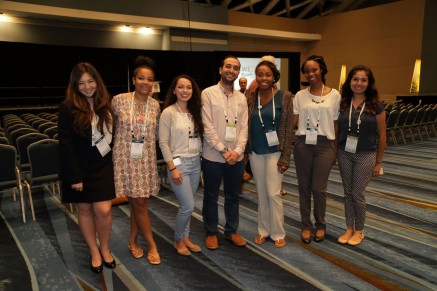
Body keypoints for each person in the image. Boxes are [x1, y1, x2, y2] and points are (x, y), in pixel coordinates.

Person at [58, 62, 116, 273]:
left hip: (103, 165)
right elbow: (66, 145)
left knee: (103, 209)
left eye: (90, 81)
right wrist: (74, 177)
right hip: (79, 169)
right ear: (75, 85)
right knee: (84, 209)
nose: (87, 86)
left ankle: (105, 248)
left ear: (97, 81)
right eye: (81, 83)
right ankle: (94, 251)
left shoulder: (106, 104)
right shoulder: (67, 107)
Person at [112, 56, 161, 265]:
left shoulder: (156, 106)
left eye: (149, 79)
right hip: (125, 159)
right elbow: (109, 127)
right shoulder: (119, 100)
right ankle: (152, 245)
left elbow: (156, 135)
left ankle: (132, 241)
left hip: (145, 160)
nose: (145, 83)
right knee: (140, 203)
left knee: (138, 202)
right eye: (141, 78)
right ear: (134, 80)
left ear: (153, 83)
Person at [291, 55, 341, 244]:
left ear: (322, 70)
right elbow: (294, 122)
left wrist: (335, 149)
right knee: (304, 188)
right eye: (307, 71)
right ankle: (306, 225)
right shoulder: (300, 95)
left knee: (318, 189)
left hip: (325, 145)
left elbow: (336, 124)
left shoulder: (335, 95)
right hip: (303, 144)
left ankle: (320, 224)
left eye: (315, 69)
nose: (311, 73)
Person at [201, 55, 249, 250]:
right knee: (211, 196)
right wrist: (223, 150)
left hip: (236, 158)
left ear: (238, 72)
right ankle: (211, 231)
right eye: (228, 66)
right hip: (213, 156)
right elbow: (206, 125)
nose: (232, 70)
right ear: (221, 69)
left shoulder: (241, 97)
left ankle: (231, 230)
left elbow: (244, 128)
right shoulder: (207, 93)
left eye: (236, 68)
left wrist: (237, 152)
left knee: (233, 196)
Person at [245, 60, 294, 248]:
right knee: (262, 193)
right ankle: (263, 230)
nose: (263, 78)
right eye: (260, 75)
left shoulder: (285, 97)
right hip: (256, 151)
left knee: (273, 193)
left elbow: (289, 129)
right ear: (256, 77)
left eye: (267, 75)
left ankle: (278, 233)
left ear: (274, 77)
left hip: (276, 152)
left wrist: (286, 157)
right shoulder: (251, 98)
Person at [337, 65, 386, 246]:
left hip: (366, 154)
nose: (359, 83)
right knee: (347, 193)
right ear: (349, 82)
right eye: (355, 79)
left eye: (363, 80)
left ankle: (359, 230)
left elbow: (382, 136)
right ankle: (349, 227)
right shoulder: (343, 103)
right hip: (344, 153)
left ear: (369, 83)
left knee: (357, 193)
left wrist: (379, 162)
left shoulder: (376, 105)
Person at [158, 75, 204, 256]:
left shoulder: (196, 112)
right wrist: (173, 168)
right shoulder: (168, 112)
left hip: (195, 163)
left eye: (189, 88)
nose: (185, 91)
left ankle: (185, 237)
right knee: (188, 206)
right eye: (181, 87)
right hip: (179, 164)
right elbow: (163, 143)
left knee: (188, 204)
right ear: (175, 90)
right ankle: (178, 239)